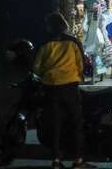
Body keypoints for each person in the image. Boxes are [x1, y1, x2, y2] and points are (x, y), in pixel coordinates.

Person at [34, 12, 93, 169]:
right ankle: (78, 160)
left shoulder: (45, 44)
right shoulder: (73, 42)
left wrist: (47, 75)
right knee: (76, 122)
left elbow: (37, 68)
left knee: (55, 124)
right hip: (70, 87)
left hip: (51, 88)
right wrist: (77, 76)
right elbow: (81, 64)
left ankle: (56, 161)